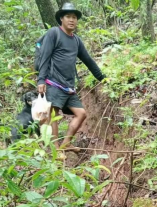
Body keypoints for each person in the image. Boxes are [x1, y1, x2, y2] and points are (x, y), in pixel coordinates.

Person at [36, 2, 106, 149]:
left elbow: (88, 60)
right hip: (53, 82)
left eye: (74, 17)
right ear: (62, 18)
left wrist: (102, 78)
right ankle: (55, 149)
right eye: (68, 16)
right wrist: (41, 80)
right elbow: (45, 57)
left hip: (68, 86)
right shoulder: (54, 33)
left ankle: (66, 145)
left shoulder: (76, 40)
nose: (72, 20)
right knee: (53, 115)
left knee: (81, 114)